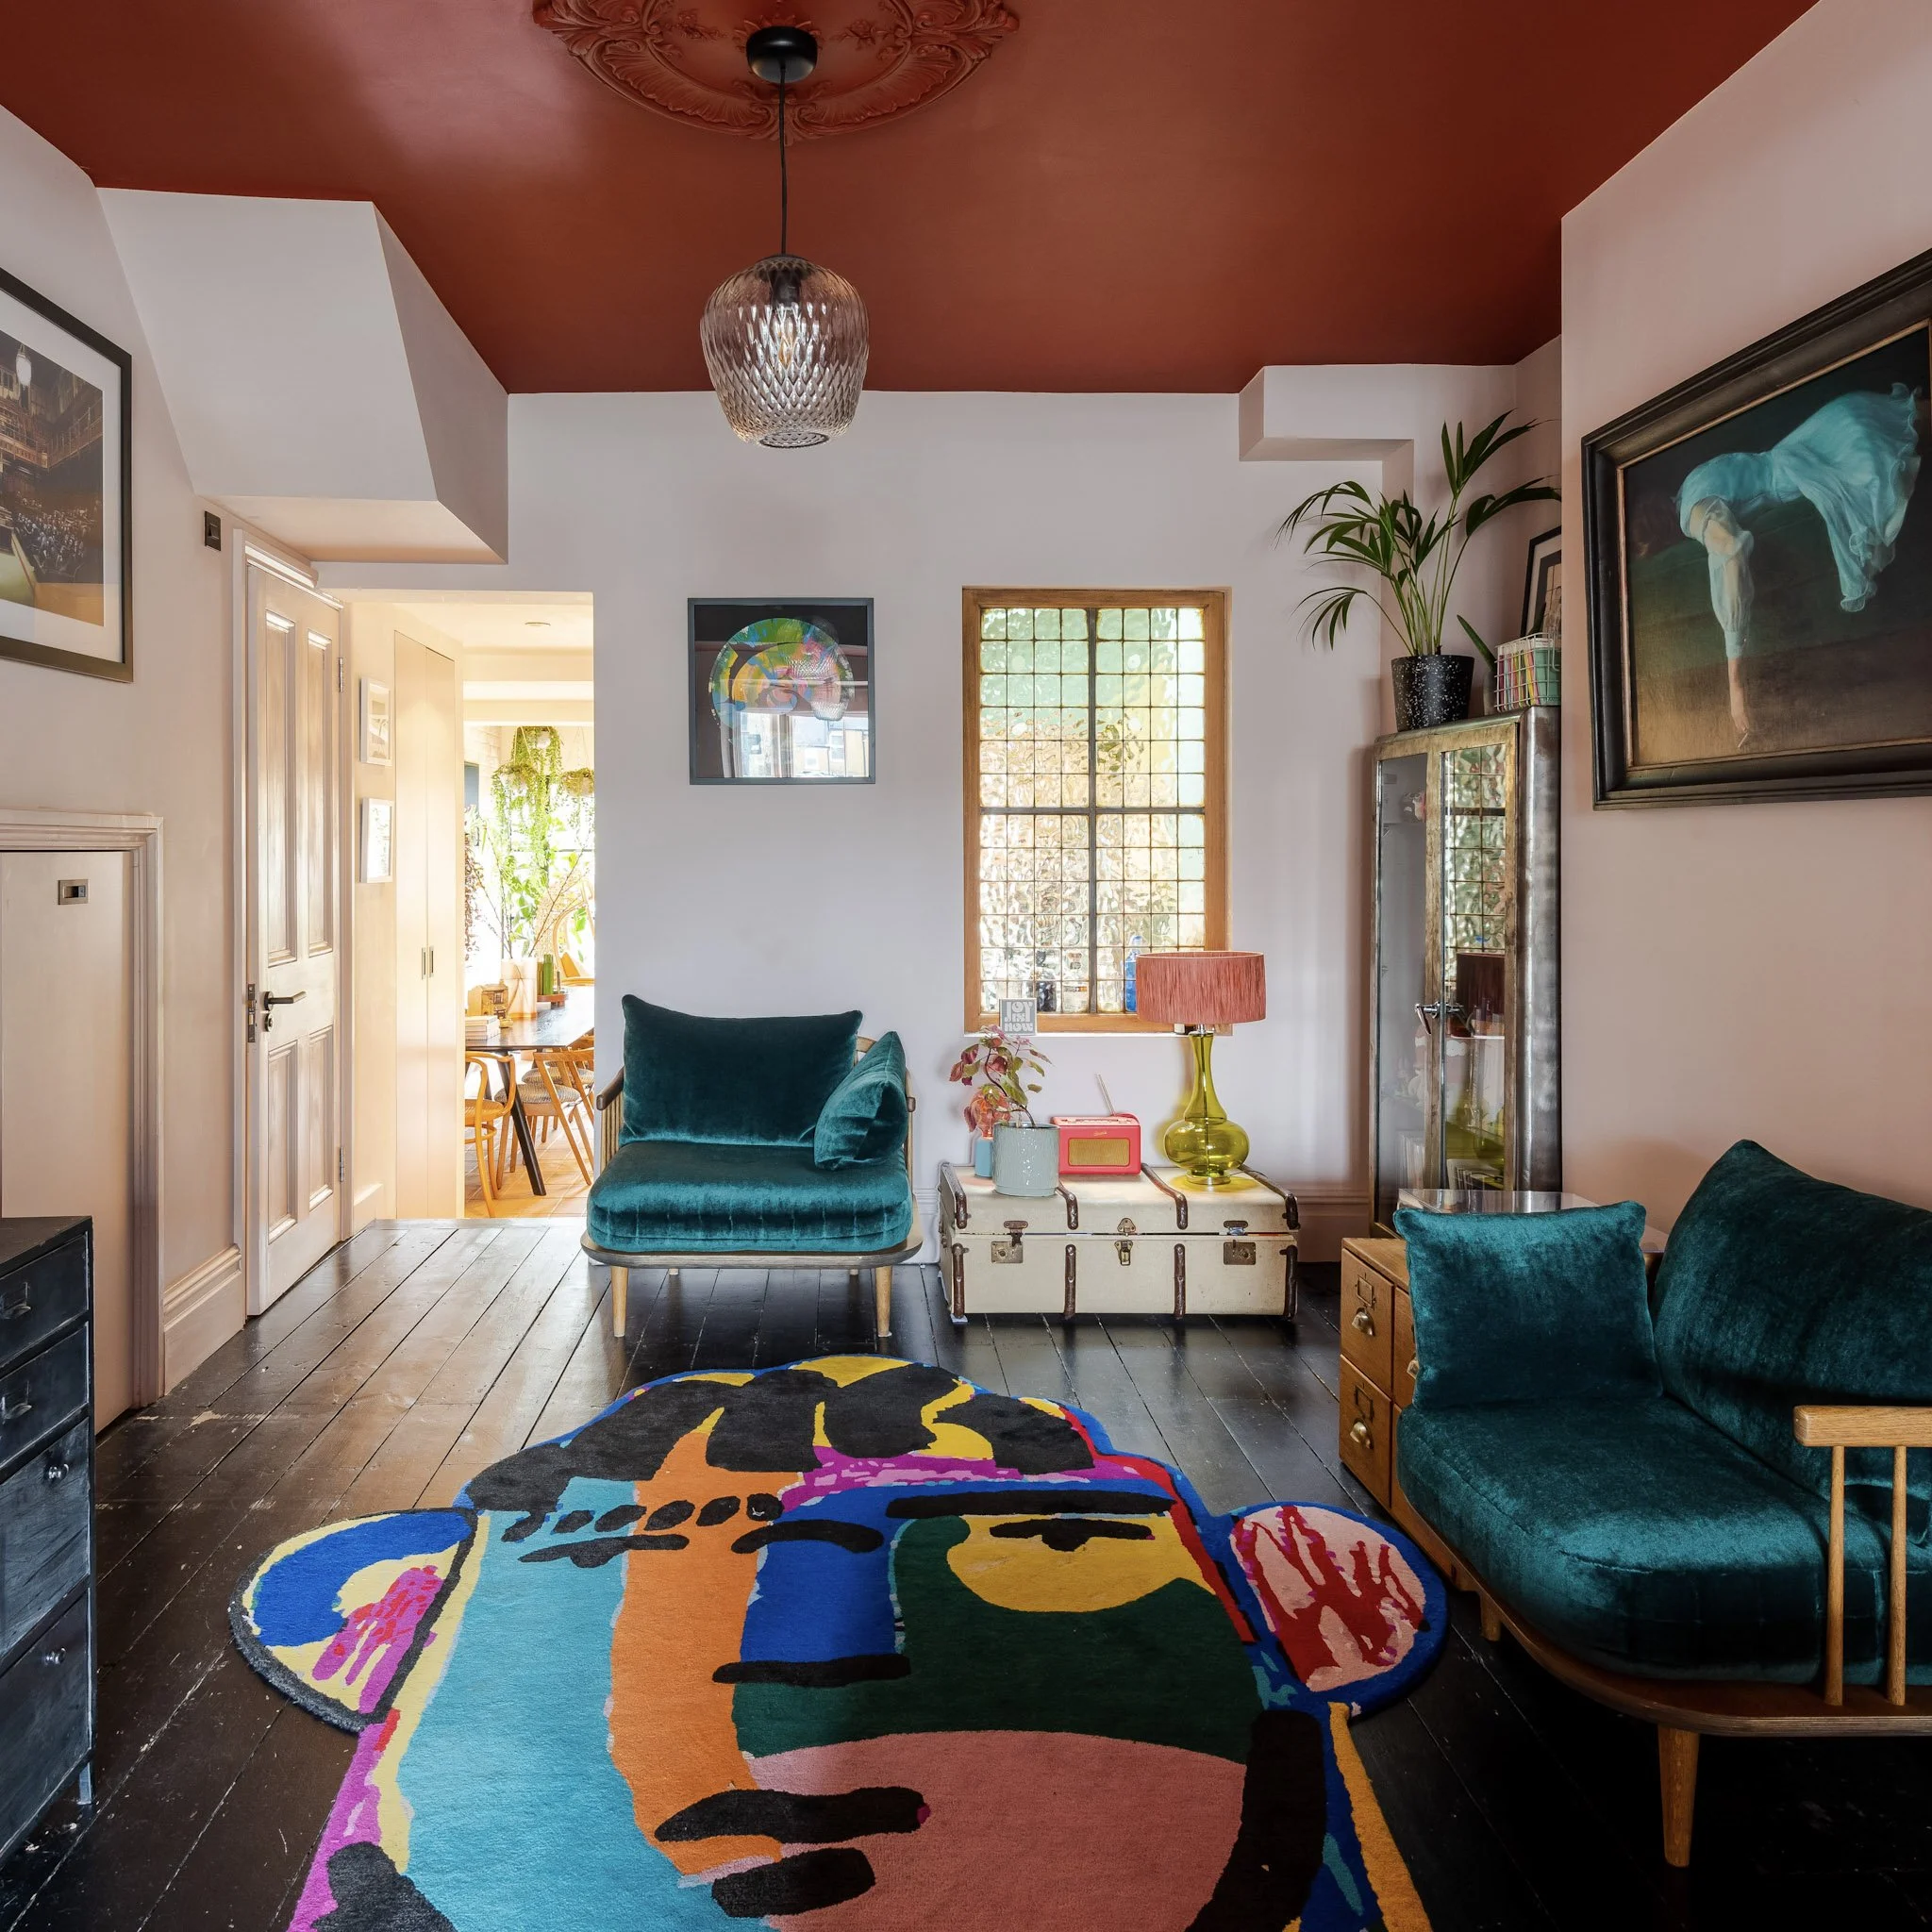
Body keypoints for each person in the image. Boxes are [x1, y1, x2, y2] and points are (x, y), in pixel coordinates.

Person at [1677, 381, 1922, 745]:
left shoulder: (1689, 511)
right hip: (1823, 432)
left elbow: (1730, 551)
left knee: (1893, 438)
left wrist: (1735, 684)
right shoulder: (1692, 489)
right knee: (1897, 429)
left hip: (1815, 452)